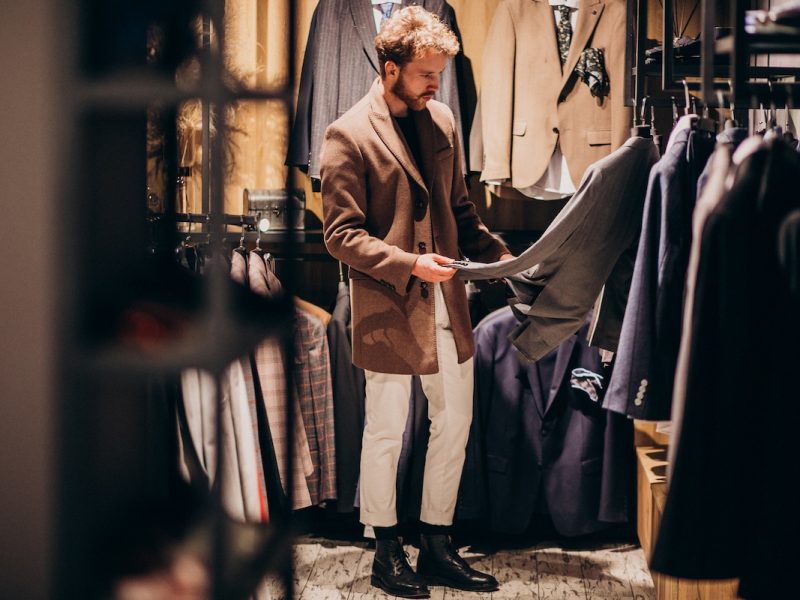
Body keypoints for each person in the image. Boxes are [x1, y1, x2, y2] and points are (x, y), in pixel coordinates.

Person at [320, 6, 512, 598]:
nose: (436, 84)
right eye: (426, 74)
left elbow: (459, 211)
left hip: (448, 301)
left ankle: (435, 542)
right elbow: (341, 236)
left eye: (439, 74)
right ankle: (384, 550)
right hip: (389, 304)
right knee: (386, 429)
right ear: (390, 67)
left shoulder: (443, 121)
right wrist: (409, 266)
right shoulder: (346, 134)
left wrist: (507, 262)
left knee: (455, 421)